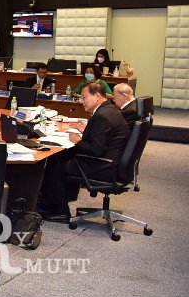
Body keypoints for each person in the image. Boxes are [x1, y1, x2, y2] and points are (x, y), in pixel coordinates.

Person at [38, 81, 130, 222]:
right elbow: (102, 138)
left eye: (84, 97)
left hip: (104, 167)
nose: (82, 102)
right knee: (59, 157)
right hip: (113, 163)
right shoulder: (109, 110)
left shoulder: (102, 115)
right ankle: (53, 202)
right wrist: (86, 130)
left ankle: (61, 212)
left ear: (97, 96)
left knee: (55, 165)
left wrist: (77, 140)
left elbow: (95, 150)